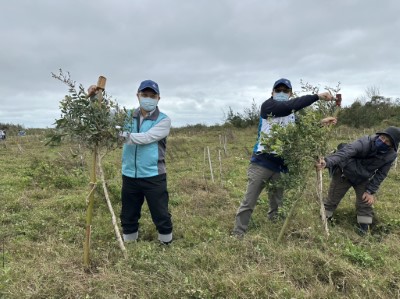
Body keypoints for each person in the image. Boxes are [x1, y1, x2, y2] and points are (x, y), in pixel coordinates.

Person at [232, 78, 336, 237]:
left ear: (290, 93)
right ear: (272, 93)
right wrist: (317, 96)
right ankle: (238, 233)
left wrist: (322, 123)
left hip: (281, 164)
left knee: (277, 200)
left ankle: (273, 224)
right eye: (278, 90)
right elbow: (289, 106)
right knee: (249, 200)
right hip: (261, 162)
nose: (281, 93)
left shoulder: (293, 114)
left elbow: (302, 132)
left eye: (285, 91)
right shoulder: (268, 106)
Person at [315, 126, 400, 234]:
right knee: (332, 201)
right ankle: (323, 222)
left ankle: (364, 230)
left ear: (392, 146)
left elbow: (381, 174)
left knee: (365, 203)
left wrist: (370, 191)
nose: (383, 141)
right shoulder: (365, 142)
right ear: (379, 135)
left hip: (362, 178)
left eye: (387, 142)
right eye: (382, 138)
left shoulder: (391, 155)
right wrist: (327, 162)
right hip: (344, 172)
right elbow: (345, 153)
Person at [119, 80, 173, 244]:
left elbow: (147, 138)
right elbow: (105, 116)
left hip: (153, 174)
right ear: (138, 95)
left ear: (158, 98)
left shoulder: (163, 120)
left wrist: (122, 136)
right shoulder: (127, 116)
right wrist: (94, 98)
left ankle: (166, 242)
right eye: (145, 95)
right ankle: (129, 242)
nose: (148, 98)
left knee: (160, 212)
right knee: (128, 212)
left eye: (152, 96)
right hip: (129, 173)